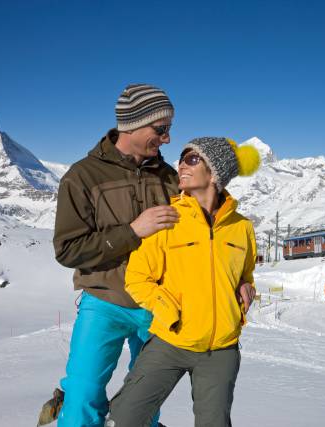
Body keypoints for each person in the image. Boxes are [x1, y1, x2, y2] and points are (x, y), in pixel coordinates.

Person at [45, 84, 182, 427]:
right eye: (160, 129)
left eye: (169, 129)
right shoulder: (82, 177)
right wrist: (132, 232)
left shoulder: (170, 178)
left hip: (157, 304)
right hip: (103, 301)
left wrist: (241, 278)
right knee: (82, 395)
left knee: (146, 398)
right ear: (133, 124)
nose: (167, 139)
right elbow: (68, 250)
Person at [106, 137, 260, 427]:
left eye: (192, 159)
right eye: (181, 158)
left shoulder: (242, 228)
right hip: (171, 341)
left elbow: (245, 274)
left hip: (222, 350)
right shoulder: (166, 219)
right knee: (125, 417)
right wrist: (170, 312)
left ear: (215, 173)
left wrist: (246, 287)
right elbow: (138, 278)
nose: (181, 165)